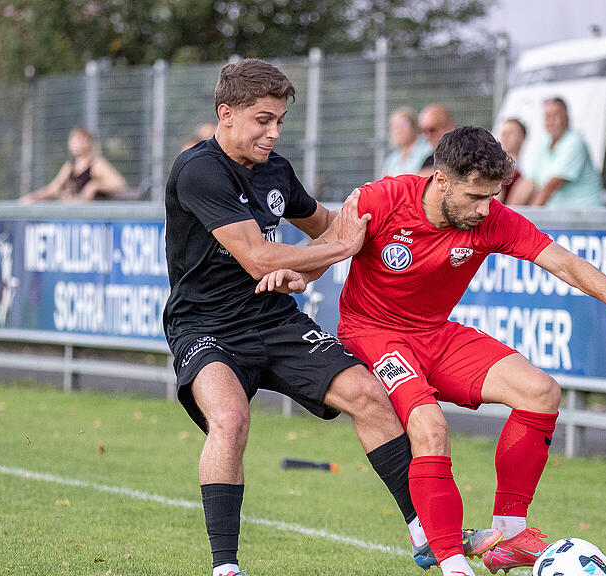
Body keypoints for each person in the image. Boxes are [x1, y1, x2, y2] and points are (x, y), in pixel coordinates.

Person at [259, 127, 606, 576]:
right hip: (374, 335)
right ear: (441, 179)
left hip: (434, 334)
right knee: (430, 428)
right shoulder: (383, 198)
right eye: (476, 196)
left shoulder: (491, 218)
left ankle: (509, 534)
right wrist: (296, 278)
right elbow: (322, 251)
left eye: (492, 196)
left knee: (541, 391)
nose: (485, 208)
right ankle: (453, 564)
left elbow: (563, 261)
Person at [163, 59, 497, 576]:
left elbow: (329, 224)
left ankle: (427, 536)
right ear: (226, 115)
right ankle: (224, 567)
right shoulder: (198, 169)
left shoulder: (275, 170)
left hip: (273, 318)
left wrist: (377, 218)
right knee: (229, 419)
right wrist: (338, 250)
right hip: (206, 325)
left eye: (280, 121)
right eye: (262, 120)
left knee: (368, 394)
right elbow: (261, 258)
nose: (273, 132)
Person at [522, 97, 603, 209]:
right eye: (547, 116)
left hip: (583, 218)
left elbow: (551, 186)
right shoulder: (544, 143)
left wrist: (527, 218)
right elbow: (529, 182)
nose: (550, 120)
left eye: (555, 115)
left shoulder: (574, 141)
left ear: (567, 118)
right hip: (560, 217)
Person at [19, 127, 127, 203]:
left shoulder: (97, 164)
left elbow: (119, 184)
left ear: (89, 142)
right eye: (73, 140)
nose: (75, 143)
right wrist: (32, 197)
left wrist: (95, 185)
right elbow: (54, 188)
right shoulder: (70, 166)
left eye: (79, 140)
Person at [382, 107, 433, 177]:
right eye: (395, 126)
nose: (399, 130)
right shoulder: (392, 159)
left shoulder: (429, 149)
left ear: (414, 126)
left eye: (403, 125)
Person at [496, 118, 533, 205]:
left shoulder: (528, 171)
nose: (505, 136)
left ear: (522, 138)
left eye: (510, 133)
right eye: (503, 133)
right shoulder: (490, 166)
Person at [417, 104, 456, 177]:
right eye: (423, 131)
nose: (427, 136)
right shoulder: (430, 159)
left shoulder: (465, 152)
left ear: (449, 126)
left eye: (432, 130)